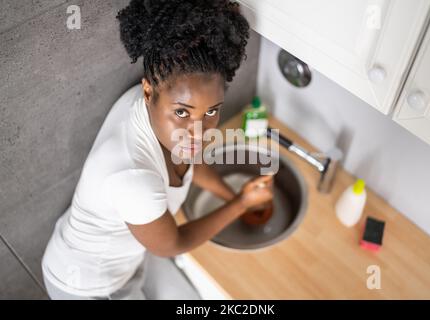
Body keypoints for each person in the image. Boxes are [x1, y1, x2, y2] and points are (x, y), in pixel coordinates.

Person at [41, 0, 273, 299]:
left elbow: (186, 163)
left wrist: (233, 194)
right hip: (86, 286)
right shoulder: (133, 177)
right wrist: (241, 204)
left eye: (211, 111)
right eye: (182, 113)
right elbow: (171, 244)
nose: (199, 132)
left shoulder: (156, 107)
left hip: (128, 259)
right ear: (149, 90)